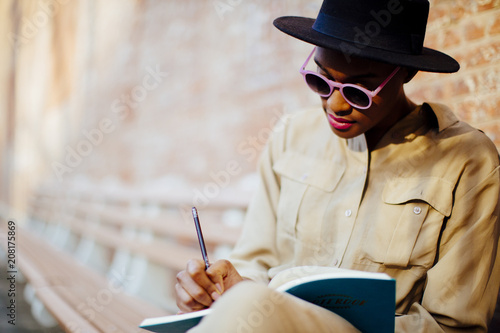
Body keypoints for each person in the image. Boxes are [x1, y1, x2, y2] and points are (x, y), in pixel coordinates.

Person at [175, 0, 500, 331]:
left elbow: (455, 326)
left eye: (359, 91)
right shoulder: (291, 136)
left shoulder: (467, 160)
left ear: (406, 72)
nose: (335, 105)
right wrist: (222, 287)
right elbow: (255, 260)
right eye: (321, 82)